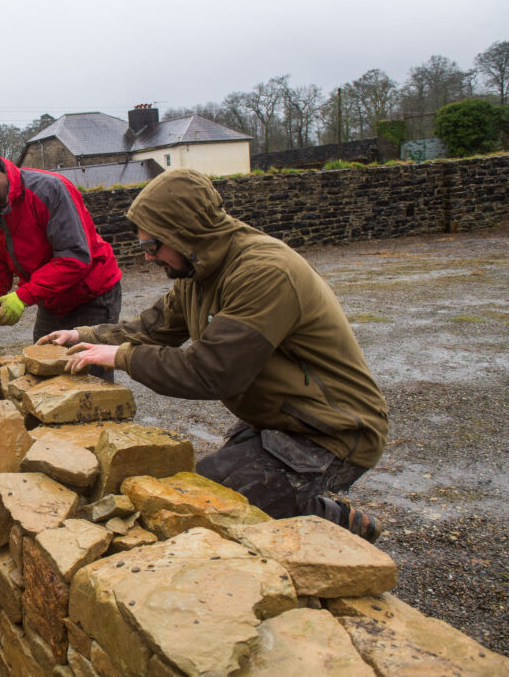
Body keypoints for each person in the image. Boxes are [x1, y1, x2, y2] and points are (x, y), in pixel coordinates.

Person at [42, 169, 388, 541]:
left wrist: (122, 357)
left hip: (333, 430)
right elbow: (155, 325)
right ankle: (319, 513)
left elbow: (212, 371)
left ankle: (330, 530)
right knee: (204, 493)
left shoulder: (262, 271)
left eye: (153, 246)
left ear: (184, 232)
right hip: (284, 420)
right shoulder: (198, 269)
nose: (148, 258)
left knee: (208, 513)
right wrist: (85, 334)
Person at [0, 147, 122, 373]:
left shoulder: (49, 190)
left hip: (91, 294)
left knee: (88, 376)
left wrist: (22, 297)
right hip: (50, 298)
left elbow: (74, 257)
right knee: (43, 370)